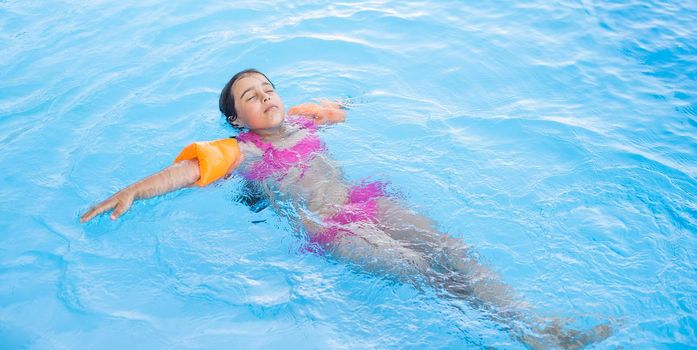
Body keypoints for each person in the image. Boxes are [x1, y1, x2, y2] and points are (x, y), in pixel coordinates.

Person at [80, 69, 609, 349]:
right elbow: (187, 172)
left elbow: (344, 106)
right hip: (331, 226)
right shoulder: (241, 151)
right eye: (250, 95)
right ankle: (521, 338)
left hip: (368, 202)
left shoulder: (307, 121)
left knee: (454, 250)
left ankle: (541, 326)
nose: (265, 96)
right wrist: (134, 190)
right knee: (419, 268)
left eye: (268, 88)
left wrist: (359, 96)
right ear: (237, 119)